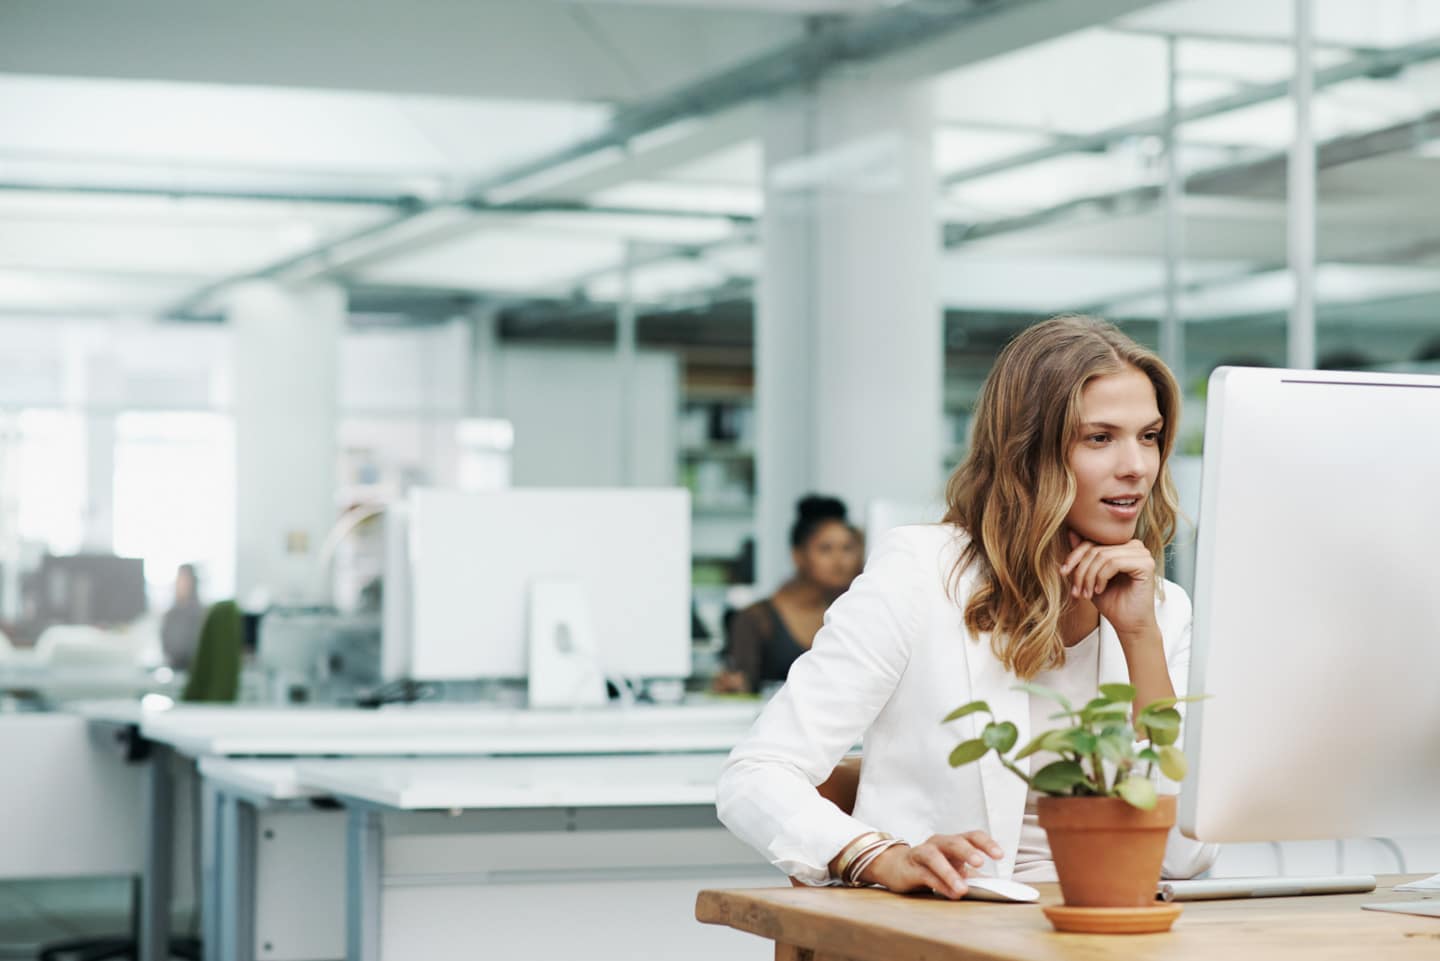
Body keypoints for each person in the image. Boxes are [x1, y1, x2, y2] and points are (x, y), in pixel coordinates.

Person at [716, 315, 1218, 895]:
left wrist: (1140, 637)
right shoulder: (921, 574)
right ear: (1027, 452)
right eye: (1099, 438)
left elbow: (1185, 854)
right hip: (957, 928)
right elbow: (754, 775)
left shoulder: (1161, 608)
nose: (1136, 465)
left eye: (1150, 436)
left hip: (1106, 924)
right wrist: (876, 856)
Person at [713, 495, 863, 695]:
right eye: (825, 549)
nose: (840, 560)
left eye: (848, 548)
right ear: (798, 555)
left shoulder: (852, 615)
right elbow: (739, 689)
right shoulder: (756, 619)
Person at [161, 563, 204, 671]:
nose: (181, 584)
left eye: (185, 580)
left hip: (196, 669)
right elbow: (166, 646)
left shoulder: (202, 614)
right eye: (179, 580)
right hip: (173, 668)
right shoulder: (170, 614)